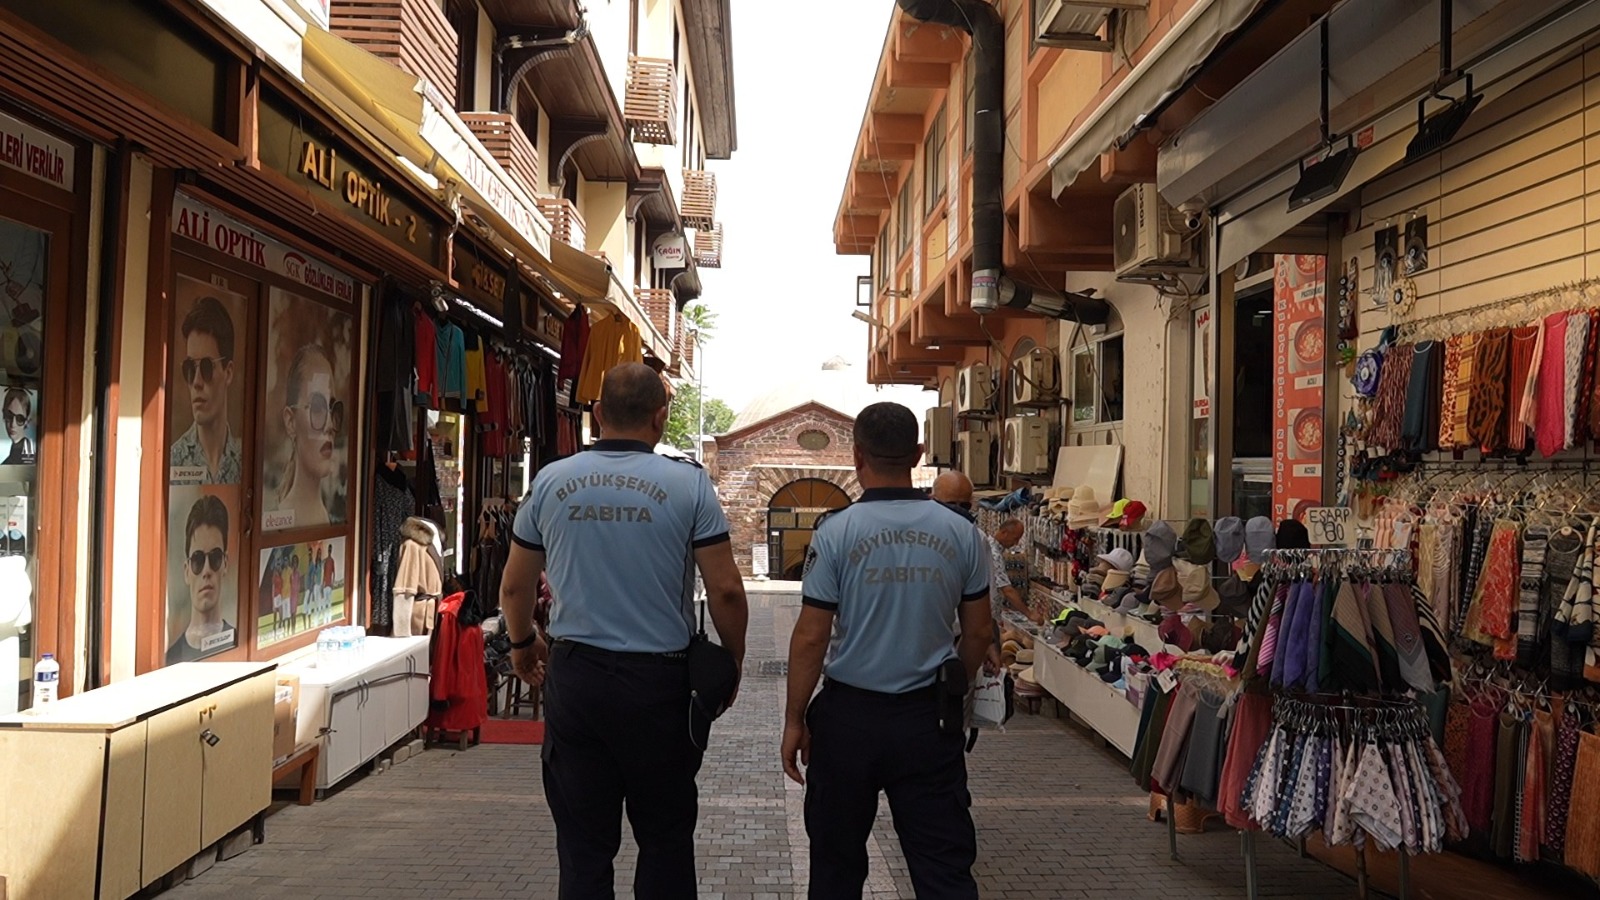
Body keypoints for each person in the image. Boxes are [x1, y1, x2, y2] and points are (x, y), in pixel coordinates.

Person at [499, 362, 749, 899]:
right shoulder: (689, 484)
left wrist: (522, 645)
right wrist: (732, 660)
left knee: (584, 846)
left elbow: (515, 588)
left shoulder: (551, 481)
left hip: (577, 680)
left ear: (595, 415)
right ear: (661, 419)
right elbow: (726, 588)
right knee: (664, 839)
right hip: (658, 689)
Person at [783, 402, 993, 899]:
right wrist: (953, 693)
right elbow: (980, 633)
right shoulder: (963, 533)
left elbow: (812, 636)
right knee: (943, 868)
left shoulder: (835, 532)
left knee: (836, 867)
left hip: (848, 720)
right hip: (927, 720)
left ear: (857, 456)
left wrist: (795, 718)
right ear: (918, 454)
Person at [170, 297, 241, 483]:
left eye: (207, 367)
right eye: (190, 368)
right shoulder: (172, 462)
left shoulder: (244, 461)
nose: (196, 382)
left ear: (228, 372)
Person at [274, 344, 342, 528]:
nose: (329, 426)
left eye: (332, 408)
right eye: (317, 407)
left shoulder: (331, 521)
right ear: (291, 422)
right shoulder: (280, 523)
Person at [167, 495, 235, 663]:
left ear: (225, 564)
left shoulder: (238, 642)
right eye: (198, 560)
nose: (206, 571)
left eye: (215, 558)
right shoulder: (171, 659)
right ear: (186, 571)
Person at [1, 387, 33, 465]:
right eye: (9, 416)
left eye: (19, 419)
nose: (13, 424)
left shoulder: (29, 456)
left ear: (27, 422)